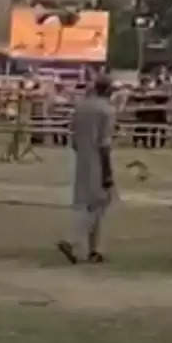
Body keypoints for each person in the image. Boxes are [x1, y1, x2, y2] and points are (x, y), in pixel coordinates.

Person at [57, 74, 116, 264]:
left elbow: (73, 139)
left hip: (81, 159)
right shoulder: (107, 110)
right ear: (108, 90)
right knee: (98, 203)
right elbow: (104, 144)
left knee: (93, 204)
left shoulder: (81, 107)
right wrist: (107, 172)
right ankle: (71, 240)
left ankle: (94, 250)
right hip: (97, 161)